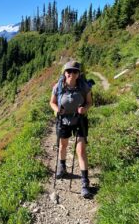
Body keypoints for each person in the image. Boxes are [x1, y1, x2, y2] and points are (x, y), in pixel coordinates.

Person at [50, 60, 92, 198]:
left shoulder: (84, 86)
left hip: (80, 120)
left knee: (80, 150)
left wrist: (84, 109)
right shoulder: (58, 87)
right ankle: (62, 167)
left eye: (75, 71)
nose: (71, 74)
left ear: (79, 74)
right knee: (63, 145)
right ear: (64, 73)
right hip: (64, 120)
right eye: (69, 71)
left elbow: (90, 102)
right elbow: (52, 102)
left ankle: (85, 182)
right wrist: (57, 111)